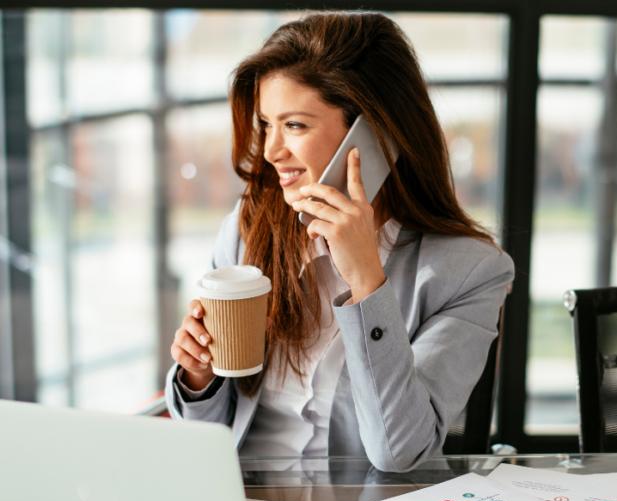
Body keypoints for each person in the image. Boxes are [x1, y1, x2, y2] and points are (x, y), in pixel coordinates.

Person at [165, 11, 514, 473]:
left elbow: (399, 452)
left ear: (373, 134)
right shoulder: (248, 231)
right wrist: (198, 377)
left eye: (295, 126)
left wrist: (367, 282)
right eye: (267, 123)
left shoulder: (469, 273)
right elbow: (205, 437)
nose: (270, 151)